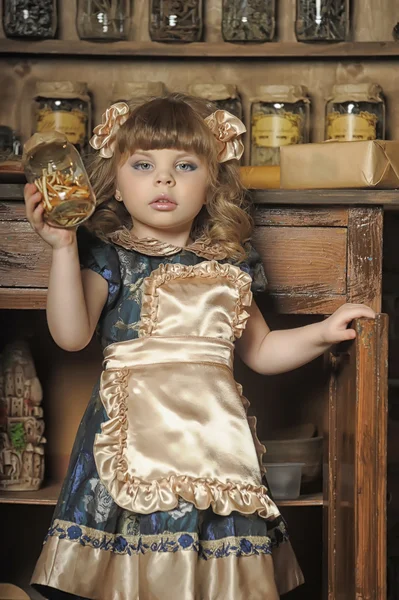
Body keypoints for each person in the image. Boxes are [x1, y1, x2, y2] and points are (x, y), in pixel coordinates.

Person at [24, 93, 375, 600]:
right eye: (143, 165)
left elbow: (261, 349)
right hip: (130, 439)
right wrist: (62, 248)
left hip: (215, 446)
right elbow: (71, 334)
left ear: (211, 182)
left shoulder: (231, 261)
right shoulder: (112, 257)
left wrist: (323, 332)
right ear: (116, 185)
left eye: (184, 165)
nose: (164, 180)